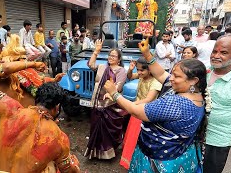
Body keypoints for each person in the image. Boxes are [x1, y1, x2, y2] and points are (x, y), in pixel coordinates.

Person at [0, 33, 80, 173]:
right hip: (20, 122)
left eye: (25, 58)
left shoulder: (9, 108)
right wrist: (32, 63)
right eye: (20, 59)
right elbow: (70, 169)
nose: (24, 62)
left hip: (16, 118)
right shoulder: (59, 137)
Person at [104, 37, 208, 172]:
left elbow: (136, 111)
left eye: (176, 76)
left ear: (193, 80)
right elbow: (161, 74)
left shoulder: (177, 104)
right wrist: (147, 54)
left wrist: (114, 93)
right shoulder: (197, 93)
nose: (171, 78)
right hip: (179, 154)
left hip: (160, 161)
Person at [84, 39, 127, 159]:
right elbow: (91, 65)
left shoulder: (121, 70)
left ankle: (108, 154)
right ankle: (96, 153)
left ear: (119, 59)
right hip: (97, 103)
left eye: (114, 56)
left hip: (110, 105)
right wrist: (96, 51)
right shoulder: (103, 67)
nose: (111, 57)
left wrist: (111, 93)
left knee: (108, 130)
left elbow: (119, 85)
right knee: (96, 128)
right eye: (110, 55)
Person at [203, 34, 231, 173]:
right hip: (195, 136)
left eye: (223, 52)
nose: (216, 56)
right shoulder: (205, 70)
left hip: (218, 142)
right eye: (214, 51)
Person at [120, 57, 162, 169]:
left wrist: (130, 105)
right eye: (137, 70)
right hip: (136, 109)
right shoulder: (142, 76)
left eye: (141, 70)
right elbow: (129, 76)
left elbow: (148, 100)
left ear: (150, 70)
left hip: (146, 113)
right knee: (132, 137)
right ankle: (129, 160)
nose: (139, 72)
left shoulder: (156, 82)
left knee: (139, 139)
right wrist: (130, 69)